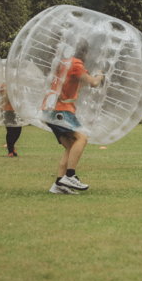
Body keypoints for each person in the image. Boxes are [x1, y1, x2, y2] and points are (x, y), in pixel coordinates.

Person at [42, 39, 104, 195]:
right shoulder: (76, 64)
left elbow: (75, 83)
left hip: (50, 109)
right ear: (84, 52)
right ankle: (70, 175)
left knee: (70, 146)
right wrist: (100, 76)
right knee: (81, 138)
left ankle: (58, 184)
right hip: (61, 109)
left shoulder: (64, 62)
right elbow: (93, 83)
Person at [0, 82, 21, 157]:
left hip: (17, 110)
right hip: (6, 109)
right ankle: (10, 151)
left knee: (18, 130)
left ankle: (11, 146)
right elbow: (6, 98)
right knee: (10, 130)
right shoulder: (3, 84)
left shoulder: (18, 83)